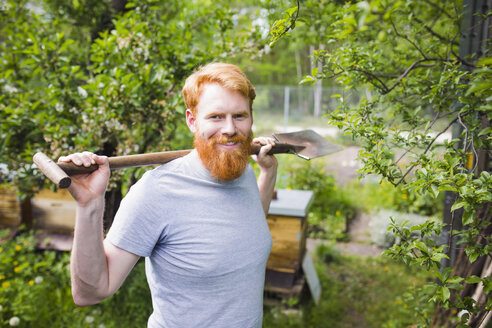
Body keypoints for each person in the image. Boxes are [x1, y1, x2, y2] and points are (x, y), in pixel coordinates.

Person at [58, 62, 278, 328]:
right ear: (192, 121)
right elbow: (90, 292)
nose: (230, 129)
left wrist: (267, 174)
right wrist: (89, 204)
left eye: (239, 116)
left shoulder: (242, 173)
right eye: (216, 117)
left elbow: (248, 225)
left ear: (251, 118)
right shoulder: (156, 192)